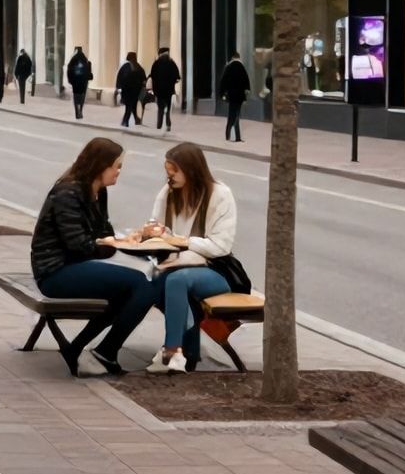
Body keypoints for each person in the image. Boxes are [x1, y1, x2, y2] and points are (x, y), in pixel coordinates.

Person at [28, 138, 153, 376]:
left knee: (135, 289)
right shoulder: (68, 192)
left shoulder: (98, 191)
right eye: (116, 166)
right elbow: (79, 246)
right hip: (55, 272)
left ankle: (77, 348)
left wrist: (124, 240)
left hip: (77, 265)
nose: (119, 172)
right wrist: (111, 245)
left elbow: (104, 232)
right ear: (100, 165)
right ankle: (106, 351)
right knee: (141, 284)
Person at [140, 144, 237, 374]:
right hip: (174, 264)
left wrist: (181, 242)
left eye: (174, 170)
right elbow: (157, 225)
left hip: (214, 269)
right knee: (151, 281)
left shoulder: (220, 195)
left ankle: (172, 351)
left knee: (176, 280)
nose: (169, 175)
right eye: (167, 170)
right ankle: (189, 351)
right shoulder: (168, 193)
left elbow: (220, 246)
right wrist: (150, 234)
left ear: (191, 170)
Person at [219, 52, 252, 142]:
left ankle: (228, 134)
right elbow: (246, 81)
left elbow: (223, 81)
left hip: (231, 95)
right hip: (240, 96)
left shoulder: (228, 67)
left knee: (231, 114)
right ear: (239, 57)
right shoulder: (242, 67)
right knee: (237, 114)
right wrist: (247, 91)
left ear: (232, 57)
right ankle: (237, 137)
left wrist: (222, 94)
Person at [149, 47, 181, 132]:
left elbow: (152, 75)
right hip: (168, 90)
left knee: (160, 108)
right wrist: (173, 82)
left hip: (159, 90)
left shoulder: (156, 63)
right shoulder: (171, 63)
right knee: (168, 107)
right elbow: (177, 76)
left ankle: (159, 125)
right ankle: (168, 124)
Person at [116, 52, 147, 128]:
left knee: (129, 106)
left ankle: (125, 121)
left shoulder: (125, 66)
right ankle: (136, 119)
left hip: (127, 90)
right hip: (136, 90)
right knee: (133, 105)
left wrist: (118, 87)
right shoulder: (139, 67)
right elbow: (144, 79)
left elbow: (120, 77)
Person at [67, 47, 93, 120]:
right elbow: (88, 71)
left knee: (76, 97)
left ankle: (77, 111)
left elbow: (69, 71)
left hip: (75, 82)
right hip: (83, 82)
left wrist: (70, 80)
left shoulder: (73, 60)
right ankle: (80, 110)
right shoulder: (85, 59)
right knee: (82, 96)